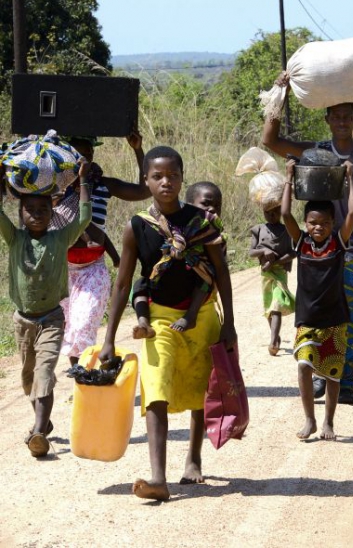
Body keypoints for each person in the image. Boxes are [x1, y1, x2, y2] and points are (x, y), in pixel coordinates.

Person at [98, 146, 236, 501]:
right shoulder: (137, 227)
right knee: (156, 387)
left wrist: (229, 324)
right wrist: (110, 338)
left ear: (181, 178)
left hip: (202, 313)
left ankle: (193, 458)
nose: (165, 182)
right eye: (157, 176)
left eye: (172, 176)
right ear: (146, 180)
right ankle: (158, 478)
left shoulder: (202, 222)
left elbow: (220, 272)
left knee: (198, 386)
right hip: (159, 316)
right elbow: (124, 283)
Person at [262, 74, 353, 405]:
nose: (341, 121)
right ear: (327, 119)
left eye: (347, 116)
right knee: (323, 315)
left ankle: (346, 382)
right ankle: (325, 375)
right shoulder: (316, 153)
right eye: (335, 116)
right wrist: (280, 93)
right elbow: (270, 140)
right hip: (322, 251)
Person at [0, 161, 91, 457]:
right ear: (21, 214)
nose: (37, 215)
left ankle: (38, 433)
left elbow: (85, 217)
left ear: (52, 214)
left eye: (43, 210)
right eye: (30, 210)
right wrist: (1, 182)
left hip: (52, 317)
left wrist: (83, 183)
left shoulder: (60, 238)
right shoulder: (15, 239)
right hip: (23, 320)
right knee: (29, 377)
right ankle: (44, 422)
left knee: (44, 371)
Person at [51, 133, 150, 366]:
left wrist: (138, 150)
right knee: (68, 327)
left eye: (88, 154)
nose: (84, 160)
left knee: (84, 322)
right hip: (60, 268)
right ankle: (81, 378)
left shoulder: (103, 185)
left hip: (92, 268)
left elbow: (143, 191)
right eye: (78, 155)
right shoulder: (55, 186)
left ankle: (83, 376)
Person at [281, 158, 353, 440]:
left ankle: (329, 423)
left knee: (332, 375)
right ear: (306, 224)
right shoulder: (301, 243)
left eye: (324, 223)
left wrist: (348, 179)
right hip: (308, 318)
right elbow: (285, 214)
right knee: (303, 365)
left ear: (332, 223)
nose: (318, 228)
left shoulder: (338, 243)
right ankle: (309, 419)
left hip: (335, 318)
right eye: (313, 223)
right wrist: (289, 177)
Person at [132, 180, 226, 340]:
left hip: (200, 274)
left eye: (217, 206)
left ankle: (191, 316)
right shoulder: (172, 225)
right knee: (140, 285)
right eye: (206, 204)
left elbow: (219, 268)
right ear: (188, 206)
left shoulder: (211, 230)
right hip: (170, 275)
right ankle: (144, 322)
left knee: (204, 279)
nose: (212, 209)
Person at [249, 203, 296, 355]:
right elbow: (252, 252)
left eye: (276, 211)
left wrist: (275, 262)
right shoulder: (258, 229)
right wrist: (264, 250)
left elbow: (293, 253)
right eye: (267, 212)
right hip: (265, 273)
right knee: (269, 307)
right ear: (263, 212)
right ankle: (276, 335)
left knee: (277, 304)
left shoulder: (287, 230)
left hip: (280, 271)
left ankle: (273, 340)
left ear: (281, 212)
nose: (272, 215)